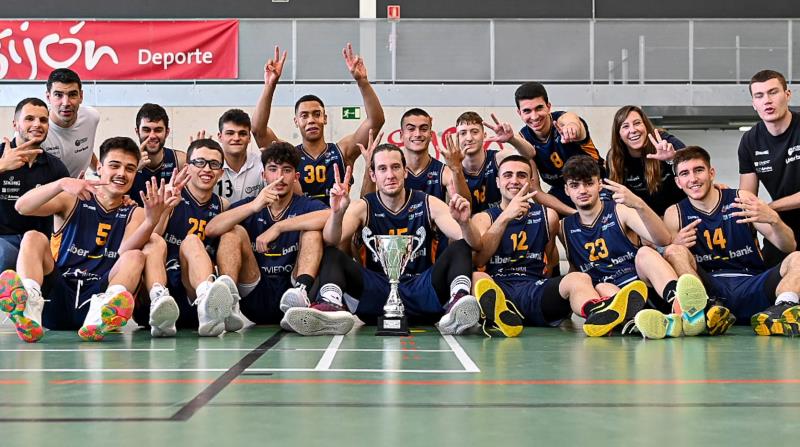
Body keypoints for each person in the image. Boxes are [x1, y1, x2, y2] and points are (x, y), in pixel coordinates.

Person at [281, 143, 482, 336]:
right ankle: (331, 305)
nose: (390, 175)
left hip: (421, 289)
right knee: (333, 253)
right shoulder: (364, 206)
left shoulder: (428, 202)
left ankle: (458, 302)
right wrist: (337, 213)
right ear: (373, 175)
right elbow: (332, 239)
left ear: (405, 171)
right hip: (377, 294)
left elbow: (476, 244)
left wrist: (465, 223)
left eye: (395, 167)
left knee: (462, 245)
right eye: (382, 169)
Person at [0, 137, 172, 343]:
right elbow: (22, 207)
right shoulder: (72, 198)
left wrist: (151, 220)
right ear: (99, 167)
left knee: (135, 256)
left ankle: (103, 315)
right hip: (56, 298)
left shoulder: (135, 212)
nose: (121, 174)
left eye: (129, 169)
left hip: (97, 297)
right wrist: (62, 183)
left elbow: (124, 251)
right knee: (33, 237)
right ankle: (29, 304)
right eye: (114, 165)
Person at [471, 154, 653, 338]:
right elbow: (479, 259)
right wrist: (505, 217)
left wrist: (551, 292)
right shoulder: (483, 218)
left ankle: (597, 312)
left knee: (577, 277)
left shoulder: (548, 216)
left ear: (531, 181)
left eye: (521, 175)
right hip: (501, 287)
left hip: (535, 290)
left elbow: (551, 262)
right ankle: (502, 315)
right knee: (477, 277)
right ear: (497, 181)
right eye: (508, 175)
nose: (514, 181)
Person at [559, 155, 720, 338]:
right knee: (602, 287)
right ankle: (652, 323)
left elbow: (664, 239)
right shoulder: (564, 227)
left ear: (599, 185)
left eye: (588, 183)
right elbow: (576, 268)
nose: (582, 190)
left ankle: (682, 307)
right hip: (615, 297)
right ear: (566, 190)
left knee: (645, 253)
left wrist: (638, 204)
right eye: (575, 185)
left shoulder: (620, 210)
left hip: (646, 286)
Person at [664, 146, 800, 336]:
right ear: (678, 182)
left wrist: (774, 220)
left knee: (798, 258)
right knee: (672, 251)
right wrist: (674, 244)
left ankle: (783, 309)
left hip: (752, 284)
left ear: (712, 173)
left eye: (699, 170)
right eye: (685, 174)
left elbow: (788, 245)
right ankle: (700, 309)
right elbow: (664, 259)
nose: (693, 179)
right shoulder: (674, 214)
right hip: (711, 289)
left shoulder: (741, 198)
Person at [205, 142, 330, 326]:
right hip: (255, 292)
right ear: (263, 175)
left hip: (292, 294)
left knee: (312, 231)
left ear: (296, 177)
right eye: (273, 169)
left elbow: (330, 215)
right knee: (233, 231)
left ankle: (301, 290)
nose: (279, 177)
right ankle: (228, 304)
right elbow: (212, 228)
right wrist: (254, 206)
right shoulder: (249, 205)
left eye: (286, 170)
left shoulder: (305, 205)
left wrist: (279, 227)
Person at [251, 44, 385, 203]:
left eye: (316, 114)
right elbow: (258, 130)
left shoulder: (343, 151)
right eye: (304, 116)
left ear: (325, 118)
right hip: (301, 222)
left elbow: (375, 121)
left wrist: (362, 82)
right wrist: (270, 86)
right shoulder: (288, 155)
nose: (311, 120)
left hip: (339, 222)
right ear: (296, 121)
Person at [140, 138, 245, 337]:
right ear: (187, 168)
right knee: (158, 241)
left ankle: (210, 305)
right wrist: (165, 207)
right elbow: (150, 239)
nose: (207, 169)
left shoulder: (223, 205)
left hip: (192, 291)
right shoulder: (168, 196)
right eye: (199, 162)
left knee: (193, 241)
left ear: (221, 173)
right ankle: (160, 303)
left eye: (214, 164)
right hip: (162, 288)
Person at [509, 82, 605, 212]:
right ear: (519, 113)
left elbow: (572, 120)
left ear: (548, 107)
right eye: (527, 111)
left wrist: (572, 127)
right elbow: (536, 192)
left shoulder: (561, 120)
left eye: (539, 108)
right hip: (563, 191)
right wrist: (574, 213)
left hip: (596, 184)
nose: (534, 116)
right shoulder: (523, 140)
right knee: (548, 217)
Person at [738, 69, 800, 267]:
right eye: (759, 95)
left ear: (787, 95)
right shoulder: (750, 141)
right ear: (754, 104)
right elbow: (747, 196)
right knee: (768, 277)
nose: (767, 100)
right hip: (781, 225)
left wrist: (768, 207)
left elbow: (762, 207)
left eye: (773, 92)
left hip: (775, 212)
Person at [0, 98, 69, 271]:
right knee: (6, 257)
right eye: (30, 119)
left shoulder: (56, 168)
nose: (37, 124)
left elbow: (71, 210)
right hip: (2, 240)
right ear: (15, 124)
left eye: (43, 120)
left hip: (38, 243)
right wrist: (2, 166)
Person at [360, 108, 470, 202]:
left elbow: (466, 208)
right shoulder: (389, 170)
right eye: (411, 129)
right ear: (401, 135)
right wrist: (368, 165)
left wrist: (457, 170)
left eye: (423, 129)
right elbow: (365, 206)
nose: (417, 134)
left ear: (431, 135)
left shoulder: (444, 172)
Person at [607, 105, 686, 216]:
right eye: (625, 126)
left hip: (678, 215)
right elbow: (613, 196)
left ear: (646, 126)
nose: (633, 130)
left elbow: (695, 170)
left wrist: (671, 160)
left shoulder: (666, 142)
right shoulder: (614, 157)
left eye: (637, 123)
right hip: (642, 221)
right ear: (618, 135)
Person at [41, 68, 101, 178]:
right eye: (58, 95)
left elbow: (86, 149)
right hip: (48, 193)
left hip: (81, 191)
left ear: (81, 96)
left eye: (72, 94)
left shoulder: (91, 117)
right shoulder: (38, 131)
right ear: (48, 97)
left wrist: (99, 170)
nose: (66, 103)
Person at [130, 103, 186, 205]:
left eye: (158, 130)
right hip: (135, 219)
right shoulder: (125, 161)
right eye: (146, 130)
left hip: (169, 219)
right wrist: (133, 168)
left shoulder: (180, 160)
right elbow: (110, 194)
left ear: (167, 132)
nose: (152, 136)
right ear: (137, 131)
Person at [215, 109, 265, 203]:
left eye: (242, 133)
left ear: (249, 138)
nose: (236, 138)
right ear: (220, 136)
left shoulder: (262, 163)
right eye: (230, 133)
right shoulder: (210, 166)